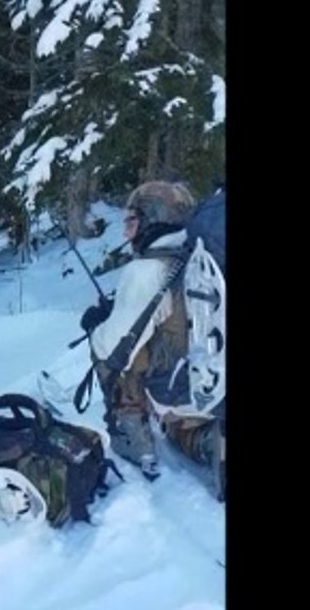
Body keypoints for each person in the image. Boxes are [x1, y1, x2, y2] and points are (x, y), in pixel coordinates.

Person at [80, 181, 223, 491]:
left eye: (131, 221)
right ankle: (211, 440)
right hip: (217, 383)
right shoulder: (203, 257)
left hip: (183, 390)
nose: (126, 233)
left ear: (153, 218)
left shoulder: (147, 270)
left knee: (110, 349)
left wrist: (97, 325)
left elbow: (111, 350)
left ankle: (133, 437)